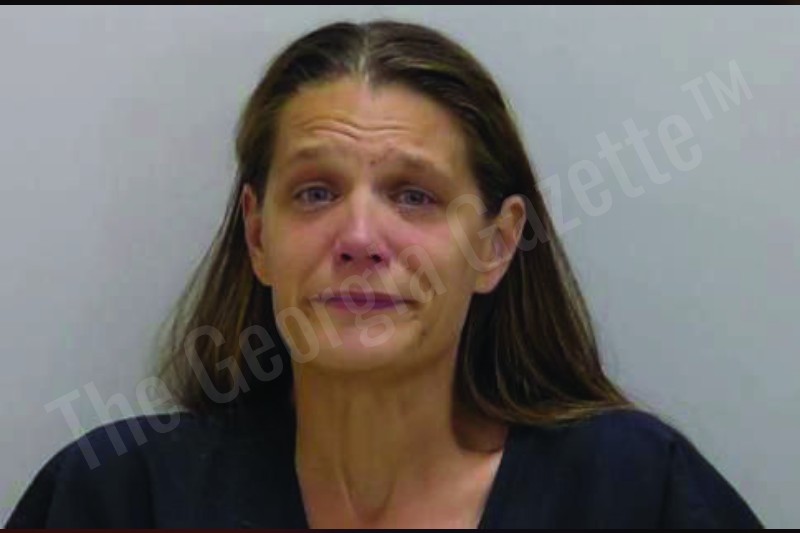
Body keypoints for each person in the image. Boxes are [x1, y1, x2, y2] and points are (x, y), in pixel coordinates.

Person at [6, 20, 763, 529]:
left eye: (414, 195)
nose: (361, 237)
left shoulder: (634, 493)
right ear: (258, 236)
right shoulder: (116, 499)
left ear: (496, 246)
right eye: (316, 193)